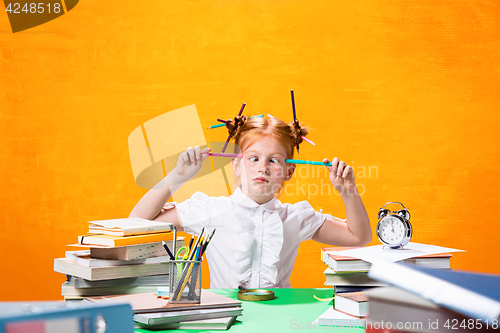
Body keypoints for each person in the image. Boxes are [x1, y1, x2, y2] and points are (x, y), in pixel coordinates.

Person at [129, 115, 371, 288]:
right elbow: (135, 223)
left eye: (274, 160)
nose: (262, 168)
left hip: (279, 322)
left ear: (289, 172)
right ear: (236, 165)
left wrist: (348, 190)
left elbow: (358, 237)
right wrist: (177, 177)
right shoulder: (210, 211)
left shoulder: (296, 217)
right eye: (253, 158)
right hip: (224, 321)